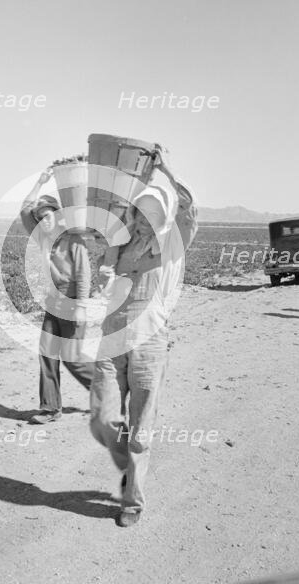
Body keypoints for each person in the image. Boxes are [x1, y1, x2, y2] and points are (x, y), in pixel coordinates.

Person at [89, 150, 198, 527]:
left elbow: (187, 208)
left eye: (154, 211)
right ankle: (127, 467)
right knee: (102, 418)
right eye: (140, 210)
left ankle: (132, 502)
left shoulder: (172, 246)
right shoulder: (119, 243)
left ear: (163, 215)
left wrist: (164, 168)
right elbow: (101, 257)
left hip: (150, 343)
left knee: (140, 429)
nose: (145, 218)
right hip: (112, 338)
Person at [20, 168, 94, 424]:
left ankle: (108, 393)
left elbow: (84, 276)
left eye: (48, 215)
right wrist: (40, 182)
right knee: (47, 354)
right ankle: (50, 408)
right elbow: (24, 210)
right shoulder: (43, 237)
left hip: (72, 303)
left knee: (73, 360)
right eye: (40, 218)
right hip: (53, 304)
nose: (44, 220)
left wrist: (82, 306)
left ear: (58, 216)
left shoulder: (75, 242)